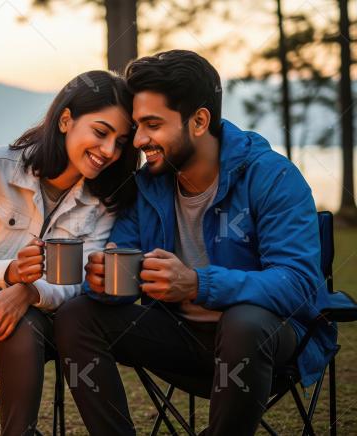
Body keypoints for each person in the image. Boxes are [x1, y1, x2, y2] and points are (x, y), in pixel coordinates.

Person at [54, 50, 338, 435]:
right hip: (180, 340)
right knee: (77, 315)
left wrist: (198, 284)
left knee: (244, 321)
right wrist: (104, 283)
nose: (139, 140)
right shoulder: (147, 187)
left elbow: (299, 283)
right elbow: (123, 267)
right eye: (136, 125)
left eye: (152, 124)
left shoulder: (271, 177)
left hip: (264, 346)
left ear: (200, 121)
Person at [0, 70, 140, 435]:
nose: (109, 151)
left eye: (121, 141)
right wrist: (10, 276)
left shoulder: (105, 199)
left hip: (33, 317)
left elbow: (78, 279)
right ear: (66, 120)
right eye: (100, 132)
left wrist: (29, 292)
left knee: (24, 326)